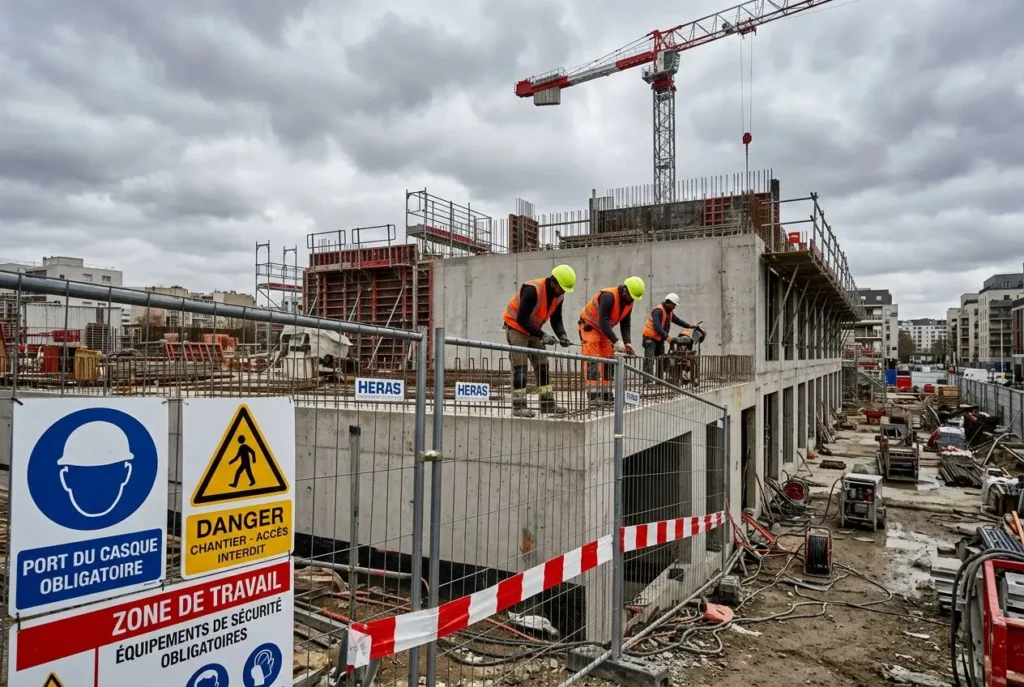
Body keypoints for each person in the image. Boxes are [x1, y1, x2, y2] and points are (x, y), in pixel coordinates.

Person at [502, 264, 576, 417]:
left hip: (533, 329)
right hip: (516, 326)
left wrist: (562, 335)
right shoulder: (532, 289)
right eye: (561, 288)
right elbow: (522, 318)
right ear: (553, 282)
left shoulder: (559, 296)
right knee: (520, 367)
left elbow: (556, 319)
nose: (563, 292)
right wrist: (543, 335)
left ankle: (547, 403)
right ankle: (519, 406)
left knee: (542, 364)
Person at [578, 276, 645, 406]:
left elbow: (625, 324)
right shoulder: (608, 297)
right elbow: (604, 321)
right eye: (630, 296)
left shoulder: (628, 303)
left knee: (608, 359)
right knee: (593, 360)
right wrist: (616, 341)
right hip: (590, 327)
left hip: (604, 331)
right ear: (624, 290)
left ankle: (606, 394)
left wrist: (627, 342)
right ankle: (593, 395)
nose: (631, 300)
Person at [641, 293, 693, 377]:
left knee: (661, 360)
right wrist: (667, 337)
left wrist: (690, 326)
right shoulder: (658, 311)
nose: (674, 307)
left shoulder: (669, 312)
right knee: (649, 360)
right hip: (650, 339)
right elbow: (657, 327)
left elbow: (678, 320)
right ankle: (648, 383)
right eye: (674, 305)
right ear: (668, 303)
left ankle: (659, 381)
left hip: (659, 339)